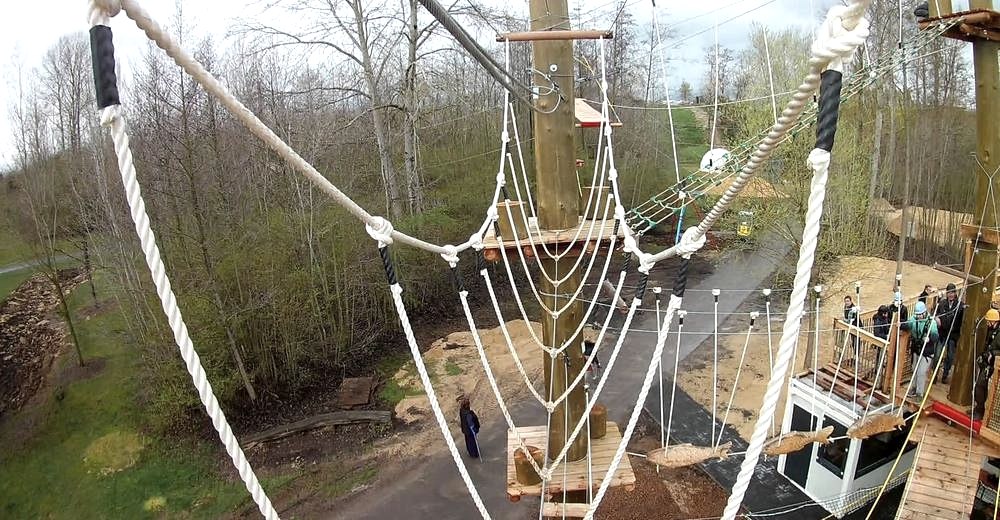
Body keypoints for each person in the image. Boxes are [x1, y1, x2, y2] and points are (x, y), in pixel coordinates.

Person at [902, 301, 939, 399]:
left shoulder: (931, 322)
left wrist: (930, 337)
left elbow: (936, 336)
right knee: (914, 369)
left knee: (921, 372)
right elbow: (907, 325)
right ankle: (913, 388)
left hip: (926, 351)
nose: (918, 316)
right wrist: (900, 324)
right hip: (916, 349)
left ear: (924, 312)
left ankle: (919, 393)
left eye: (919, 315)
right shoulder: (914, 319)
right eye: (917, 315)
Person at [935, 283, 964, 384]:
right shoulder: (942, 304)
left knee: (950, 356)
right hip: (942, 333)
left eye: (953, 292)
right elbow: (936, 314)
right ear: (947, 293)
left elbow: (962, 320)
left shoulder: (959, 305)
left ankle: (945, 374)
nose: (951, 294)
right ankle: (935, 374)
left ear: (955, 293)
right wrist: (937, 319)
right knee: (937, 354)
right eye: (949, 292)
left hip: (953, 335)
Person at [974, 309, 1000, 419]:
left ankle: (980, 411)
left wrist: (992, 354)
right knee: (980, 386)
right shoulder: (992, 331)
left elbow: (995, 349)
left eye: (989, 322)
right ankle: (978, 408)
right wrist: (984, 355)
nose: (987, 324)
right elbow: (989, 345)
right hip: (988, 362)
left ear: (994, 321)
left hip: (993, 365)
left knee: (981, 386)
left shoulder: (998, 334)